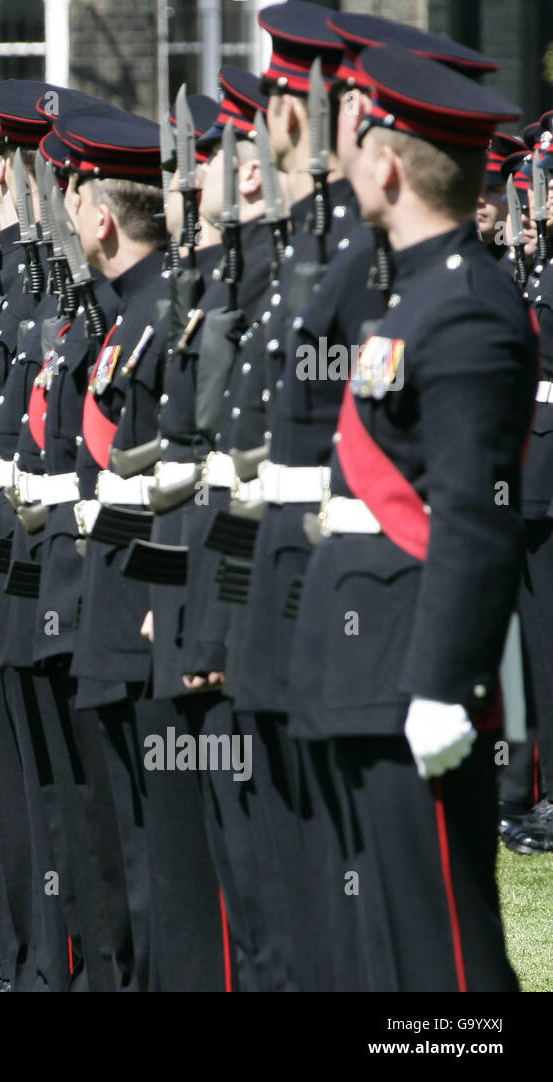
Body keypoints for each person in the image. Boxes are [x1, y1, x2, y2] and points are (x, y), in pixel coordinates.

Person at [288, 43, 529, 991]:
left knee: (444, 960)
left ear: (386, 162)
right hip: (362, 654)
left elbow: (473, 513)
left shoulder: (464, 305)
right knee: (378, 952)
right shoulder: (414, 293)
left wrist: (442, 683)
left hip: (410, 666)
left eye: (355, 140)